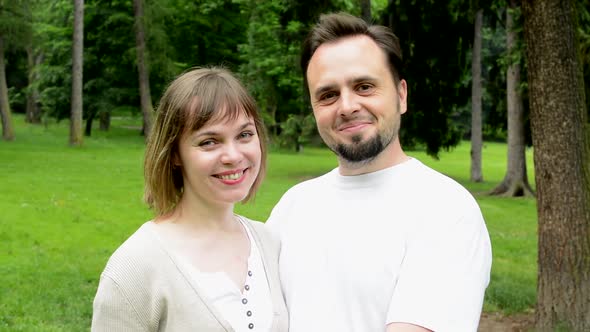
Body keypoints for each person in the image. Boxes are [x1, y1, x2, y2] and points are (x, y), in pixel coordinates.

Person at [265, 13, 492, 332]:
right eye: (328, 95)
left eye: (364, 86)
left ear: (401, 95)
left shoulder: (446, 209)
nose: (346, 106)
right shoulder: (292, 207)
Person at [92, 67, 288, 331]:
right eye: (209, 142)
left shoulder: (270, 244)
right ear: (174, 154)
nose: (232, 155)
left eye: (244, 135)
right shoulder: (135, 267)